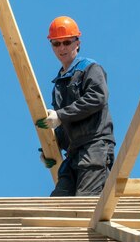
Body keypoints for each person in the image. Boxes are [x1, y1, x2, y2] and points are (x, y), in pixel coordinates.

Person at [36, 16, 115, 196]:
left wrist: (60, 115)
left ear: (77, 43)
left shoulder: (90, 68)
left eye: (66, 42)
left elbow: (97, 97)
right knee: (58, 205)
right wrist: (50, 149)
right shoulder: (59, 83)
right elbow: (65, 127)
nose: (62, 48)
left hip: (95, 147)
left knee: (84, 204)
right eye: (56, 44)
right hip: (73, 153)